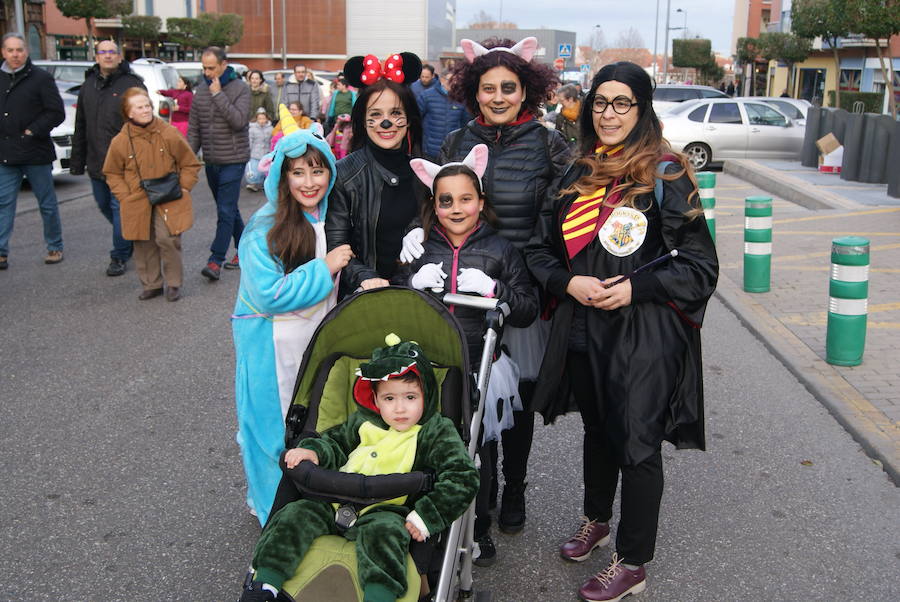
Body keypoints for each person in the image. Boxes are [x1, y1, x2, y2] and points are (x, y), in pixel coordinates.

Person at [524, 61, 718, 602]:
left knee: (636, 445)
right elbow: (539, 250)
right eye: (600, 103)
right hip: (584, 329)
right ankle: (596, 520)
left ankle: (633, 562)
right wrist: (566, 283)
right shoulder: (576, 170)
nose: (609, 114)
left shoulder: (666, 173)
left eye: (622, 103)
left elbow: (701, 266)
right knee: (600, 430)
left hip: (643, 335)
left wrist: (636, 290)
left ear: (643, 108)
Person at [403, 36, 569, 547]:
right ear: (474, 91)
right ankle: (478, 503)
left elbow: (573, 211)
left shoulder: (549, 143)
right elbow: (441, 200)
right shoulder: (455, 142)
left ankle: (513, 489)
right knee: (463, 397)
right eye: (488, 88)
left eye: (509, 88)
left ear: (526, 92)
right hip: (462, 291)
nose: (498, 97)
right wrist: (418, 230)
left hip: (521, 288)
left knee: (511, 400)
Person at [239, 335, 479, 602]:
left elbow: (463, 477)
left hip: (386, 508)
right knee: (294, 515)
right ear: (376, 400)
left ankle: (379, 596)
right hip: (330, 501)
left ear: (427, 395)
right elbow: (334, 443)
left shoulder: (435, 431)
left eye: (410, 397)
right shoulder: (362, 422)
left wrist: (426, 516)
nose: (400, 408)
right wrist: (313, 451)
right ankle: (266, 585)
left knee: (385, 537)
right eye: (389, 398)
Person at [231, 122, 353, 524]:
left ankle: (317, 501)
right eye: (298, 171)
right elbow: (268, 294)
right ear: (282, 175)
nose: (309, 181)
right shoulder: (263, 229)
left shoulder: (331, 218)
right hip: (272, 344)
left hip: (316, 339)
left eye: (317, 170)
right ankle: (275, 510)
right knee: (272, 429)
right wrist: (324, 269)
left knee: (320, 420)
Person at [326, 51, 426, 298]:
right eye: (376, 115)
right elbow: (336, 243)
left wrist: (422, 225)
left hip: (420, 293)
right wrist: (365, 277)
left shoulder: (427, 171)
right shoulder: (344, 174)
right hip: (365, 297)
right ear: (362, 120)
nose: (386, 123)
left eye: (395, 114)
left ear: (409, 119)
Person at [103, 88, 202, 302]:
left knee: (168, 239)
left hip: (170, 195)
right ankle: (152, 284)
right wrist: (124, 196)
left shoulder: (168, 133)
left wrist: (184, 188)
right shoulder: (120, 141)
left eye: (147, 105)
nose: (146, 110)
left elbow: (190, 163)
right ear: (129, 113)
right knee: (143, 242)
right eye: (140, 107)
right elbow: (111, 172)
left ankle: (174, 283)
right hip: (137, 199)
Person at [69, 40, 145, 277]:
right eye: (103, 52)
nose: (108, 56)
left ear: (119, 56)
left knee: (119, 209)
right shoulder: (89, 84)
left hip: (124, 165)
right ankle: (129, 237)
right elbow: (81, 124)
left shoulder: (131, 84)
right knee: (103, 205)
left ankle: (119, 255)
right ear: (96, 56)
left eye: (112, 52)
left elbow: (143, 123)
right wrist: (77, 161)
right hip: (96, 161)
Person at [0, 32, 66, 271]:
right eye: (10, 50)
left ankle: (54, 246)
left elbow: (56, 112)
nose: (15, 54)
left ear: (26, 51)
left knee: (46, 204)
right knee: (4, 204)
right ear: (3, 52)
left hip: (35, 152)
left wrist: (32, 131)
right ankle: (1, 252)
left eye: (19, 50)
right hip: (6, 154)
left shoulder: (40, 78)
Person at [188, 46, 250, 279]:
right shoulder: (200, 91)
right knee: (229, 209)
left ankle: (215, 260)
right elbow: (194, 128)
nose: (207, 72)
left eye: (211, 68)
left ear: (224, 65)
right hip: (212, 160)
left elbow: (238, 121)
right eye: (204, 68)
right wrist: (187, 157)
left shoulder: (240, 89)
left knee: (225, 210)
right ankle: (245, 251)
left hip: (234, 160)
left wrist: (218, 94)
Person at [416, 70, 469, 162]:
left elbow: (465, 124)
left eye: (457, 80)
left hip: (452, 152)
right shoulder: (426, 96)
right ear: (442, 80)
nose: (454, 83)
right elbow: (416, 120)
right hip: (429, 152)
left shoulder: (462, 98)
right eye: (451, 80)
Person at [246, 107, 273, 193]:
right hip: (255, 154)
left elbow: (271, 141)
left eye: (263, 118)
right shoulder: (252, 129)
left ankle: (265, 184)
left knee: (266, 170)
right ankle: (252, 183)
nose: (261, 120)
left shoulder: (270, 129)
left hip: (266, 153)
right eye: (259, 118)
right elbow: (250, 141)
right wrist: (248, 152)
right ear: (256, 119)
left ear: (266, 119)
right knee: (254, 170)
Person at [556, 83, 582, 150]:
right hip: (568, 154)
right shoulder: (560, 117)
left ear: (570, 99)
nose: (560, 103)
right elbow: (558, 137)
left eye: (562, 100)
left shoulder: (586, 112)